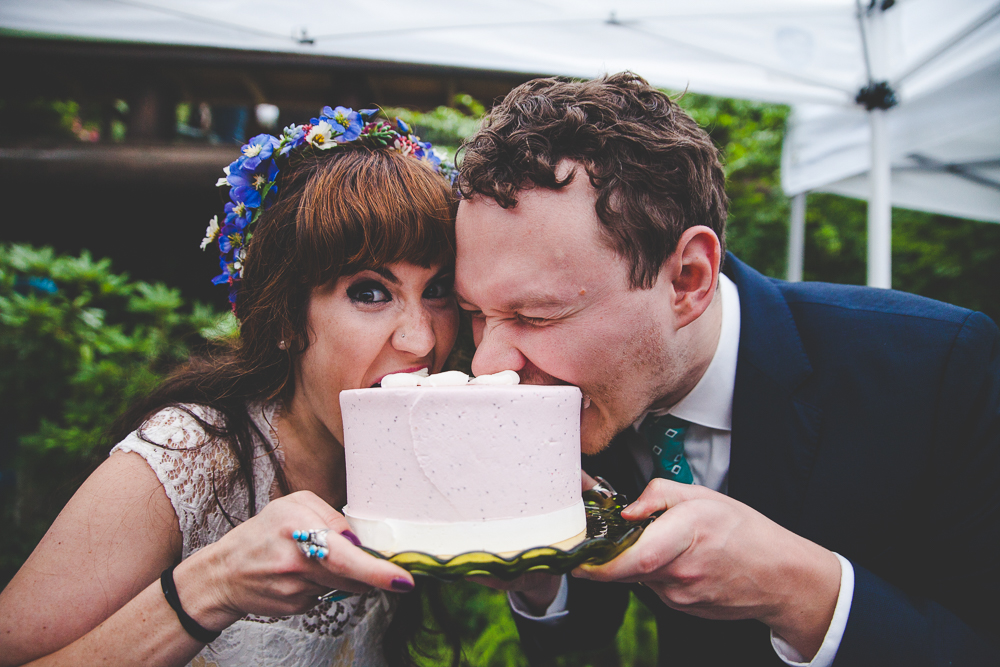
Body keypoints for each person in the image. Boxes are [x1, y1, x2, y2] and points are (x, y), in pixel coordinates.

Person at [454, 73, 1000, 666]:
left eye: (535, 315)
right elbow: (582, 633)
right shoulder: (569, 389)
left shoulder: (942, 368)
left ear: (688, 278)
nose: (490, 368)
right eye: (476, 314)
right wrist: (538, 572)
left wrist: (802, 591)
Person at [0, 107, 461, 667]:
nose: (420, 340)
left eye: (437, 289)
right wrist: (210, 587)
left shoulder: (425, 455)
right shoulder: (186, 457)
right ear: (288, 317)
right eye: (369, 292)